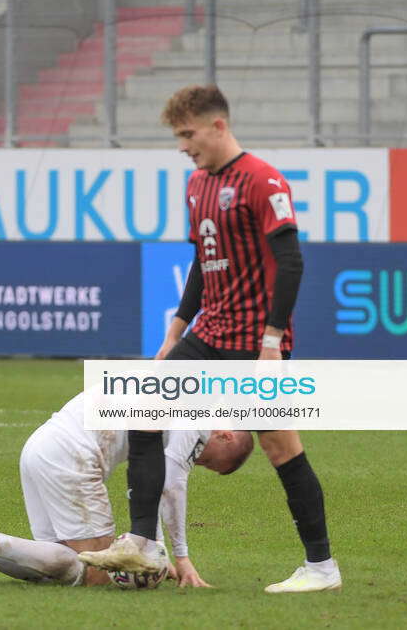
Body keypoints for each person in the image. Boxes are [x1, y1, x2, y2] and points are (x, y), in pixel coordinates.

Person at [79, 85, 341, 594]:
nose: (182, 145)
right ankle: (142, 541)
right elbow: (204, 261)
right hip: (209, 331)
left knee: (280, 446)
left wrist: (271, 342)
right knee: (141, 406)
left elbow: (291, 261)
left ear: (217, 126)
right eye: (178, 136)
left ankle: (321, 567)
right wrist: (175, 332)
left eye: (187, 134)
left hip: (252, 339)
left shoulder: (263, 180)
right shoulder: (196, 184)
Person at [0, 392, 254, 588]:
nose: (201, 464)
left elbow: (147, 486)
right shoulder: (199, 421)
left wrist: (153, 547)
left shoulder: (174, 388)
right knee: (93, 573)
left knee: (54, 567)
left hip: (40, 447)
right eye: (211, 462)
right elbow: (170, 487)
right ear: (225, 434)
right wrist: (181, 559)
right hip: (74, 457)